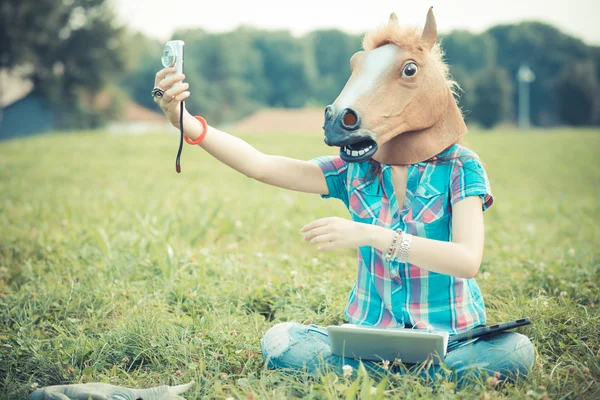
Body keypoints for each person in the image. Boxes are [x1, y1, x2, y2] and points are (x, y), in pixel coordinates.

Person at [151, 9, 535, 385]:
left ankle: (385, 376)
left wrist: (371, 235)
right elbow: (261, 165)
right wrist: (185, 123)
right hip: (370, 339)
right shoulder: (356, 169)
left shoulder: (461, 167)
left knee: (515, 351)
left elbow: (467, 261)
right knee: (282, 341)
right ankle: (416, 377)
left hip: (452, 339)